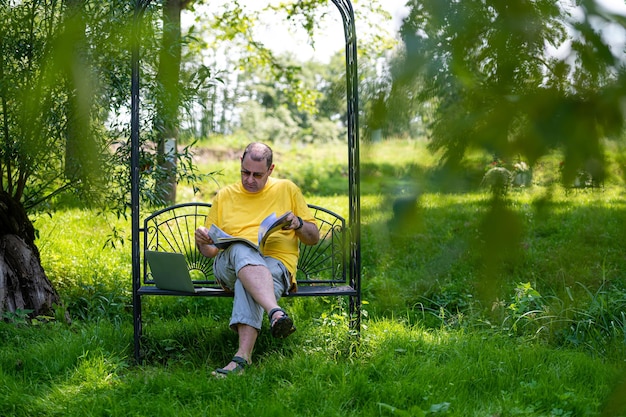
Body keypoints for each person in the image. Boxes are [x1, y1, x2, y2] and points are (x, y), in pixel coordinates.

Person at [194, 142, 320, 377]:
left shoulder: (287, 189)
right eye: (245, 172)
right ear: (240, 163)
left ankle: (241, 359)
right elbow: (211, 251)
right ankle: (275, 312)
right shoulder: (225, 195)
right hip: (229, 266)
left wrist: (298, 224)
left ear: (270, 169)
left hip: (276, 266)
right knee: (242, 248)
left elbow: (313, 237)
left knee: (248, 280)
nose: (249, 179)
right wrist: (203, 241)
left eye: (257, 175)